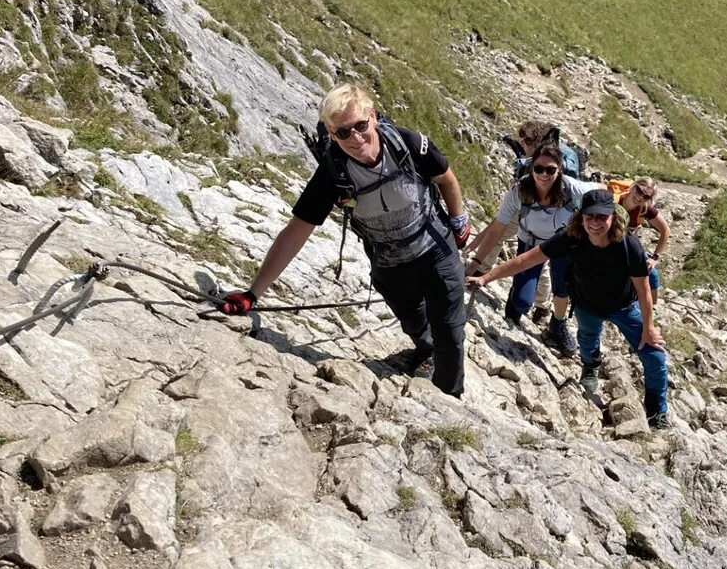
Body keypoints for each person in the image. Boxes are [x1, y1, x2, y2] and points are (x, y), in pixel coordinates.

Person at [221, 83, 472, 398]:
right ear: (330, 132)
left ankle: (448, 398)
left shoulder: (408, 144)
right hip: (390, 263)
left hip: (437, 248)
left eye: (361, 126)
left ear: (372, 117)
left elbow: (446, 179)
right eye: (342, 133)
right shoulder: (332, 172)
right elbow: (297, 231)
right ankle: (426, 348)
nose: (355, 138)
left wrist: (459, 219)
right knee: (414, 319)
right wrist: (251, 294)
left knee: (450, 332)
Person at [467, 190, 671, 429]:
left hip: (623, 307)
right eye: (589, 216)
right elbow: (525, 260)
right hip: (586, 305)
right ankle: (590, 368)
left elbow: (644, 291)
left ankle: (656, 411)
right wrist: (485, 278)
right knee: (587, 340)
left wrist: (649, 328)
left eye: (601, 217)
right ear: (581, 217)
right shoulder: (571, 237)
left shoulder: (628, 245)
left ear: (613, 218)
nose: (595, 222)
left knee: (655, 356)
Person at [465, 143, 597, 354]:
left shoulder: (573, 189)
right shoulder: (519, 192)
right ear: (531, 168)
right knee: (523, 300)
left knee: (563, 290)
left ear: (560, 170)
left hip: (563, 244)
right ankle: (513, 314)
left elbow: (601, 191)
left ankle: (557, 325)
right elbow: (497, 230)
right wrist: (477, 263)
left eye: (550, 170)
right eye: (538, 169)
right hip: (531, 243)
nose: (544, 174)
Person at [465, 120, 580, 324]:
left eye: (526, 139)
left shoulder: (563, 185)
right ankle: (539, 306)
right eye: (521, 136)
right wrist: (477, 250)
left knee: (539, 260)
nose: (521, 142)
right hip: (535, 229)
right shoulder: (523, 182)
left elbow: (499, 228)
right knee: (535, 266)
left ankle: (538, 306)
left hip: (544, 232)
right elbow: (498, 225)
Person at [617, 177, 670, 304]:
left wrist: (655, 257)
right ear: (633, 186)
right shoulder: (614, 200)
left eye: (646, 196)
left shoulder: (644, 209)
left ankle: (651, 308)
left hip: (628, 248)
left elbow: (665, 230)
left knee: (653, 275)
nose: (640, 197)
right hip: (607, 246)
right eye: (639, 191)